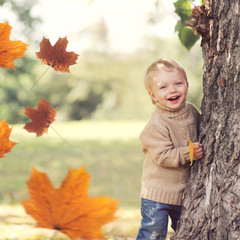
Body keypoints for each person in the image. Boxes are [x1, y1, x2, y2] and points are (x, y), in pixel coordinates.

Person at [136, 58, 203, 240]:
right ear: (153, 95)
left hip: (185, 193)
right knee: (153, 233)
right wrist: (188, 153)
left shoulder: (192, 111)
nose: (172, 90)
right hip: (157, 194)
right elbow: (161, 155)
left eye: (178, 83)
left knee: (188, 230)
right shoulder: (157, 122)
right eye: (163, 87)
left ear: (187, 85)